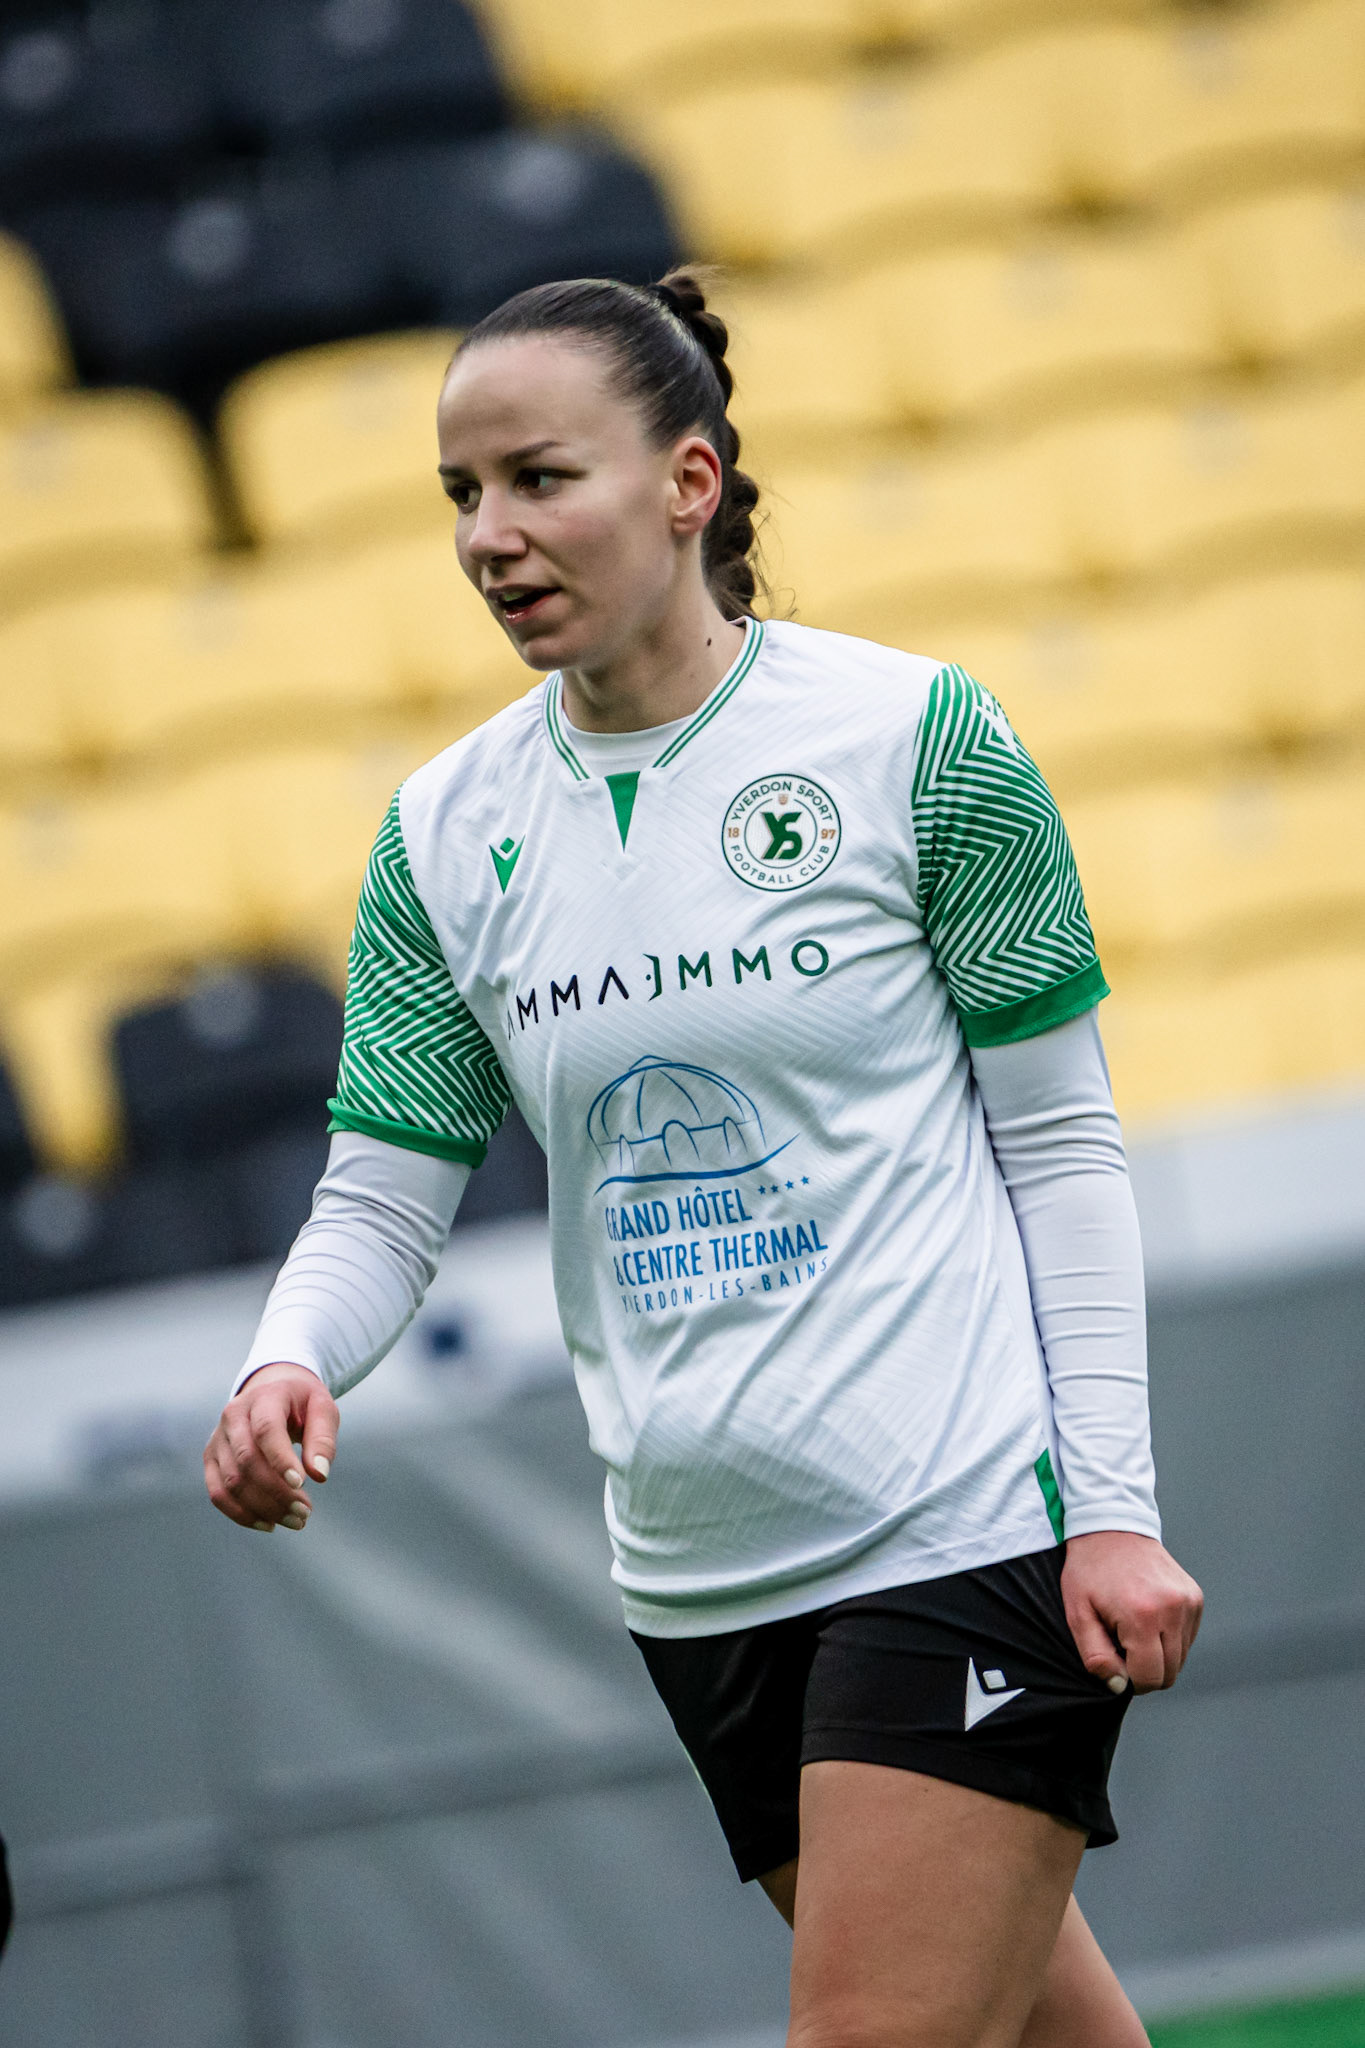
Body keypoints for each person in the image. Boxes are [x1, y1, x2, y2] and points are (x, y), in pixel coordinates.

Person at [204, 270, 1203, 2048]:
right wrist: (290, 1354)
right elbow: (381, 1191)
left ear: (687, 483)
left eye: (537, 478)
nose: (490, 536)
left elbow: (1058, 1143)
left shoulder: (914, 742)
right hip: (697, 1584)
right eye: (460, 496)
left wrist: (1112, 1509)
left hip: (957, 1529)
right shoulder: (442, 832)